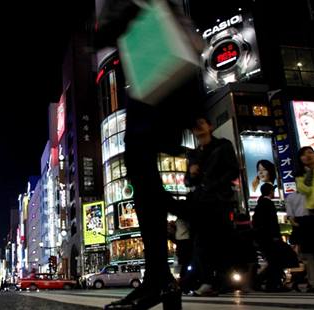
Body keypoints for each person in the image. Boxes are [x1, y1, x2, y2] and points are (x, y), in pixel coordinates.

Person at [95, 1, 205, 308]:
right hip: (163, 67)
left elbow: (114, 23)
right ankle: (161, 279)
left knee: (139, 166)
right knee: (141, 170)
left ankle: (160, 278)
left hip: (158, 68)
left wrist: (106, 27)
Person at [185, 116, 239, 296]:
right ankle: (207, 280)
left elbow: (233, 169)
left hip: (220, 200)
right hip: (201, 202)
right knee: (201, 242)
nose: (198, 127)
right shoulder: (192, 154)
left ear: (210, 126)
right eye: (195, 125)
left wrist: (213, 184)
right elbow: (187, 181)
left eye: (201, 123)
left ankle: (224, 280)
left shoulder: (223, 146)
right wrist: (192, 174)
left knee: (222, 239)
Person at [252, 183, 287, 291]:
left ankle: (266, 283)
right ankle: (270, 284)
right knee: (275, 261)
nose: (274, 192)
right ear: (270, 191)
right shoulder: (268, 204)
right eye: (273, 191)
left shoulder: (260, 204)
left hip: (263, 238)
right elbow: (272, 222)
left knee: (273, 261)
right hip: (269, 238)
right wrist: (276, 236)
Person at [294, 146, 314, 292]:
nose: (307, 156)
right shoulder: (300, 176)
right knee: (312, 252)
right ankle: (313, 282)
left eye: (310, 152)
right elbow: (305, 190)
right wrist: (310, 173)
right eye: (303, 154)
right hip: (311, 215)